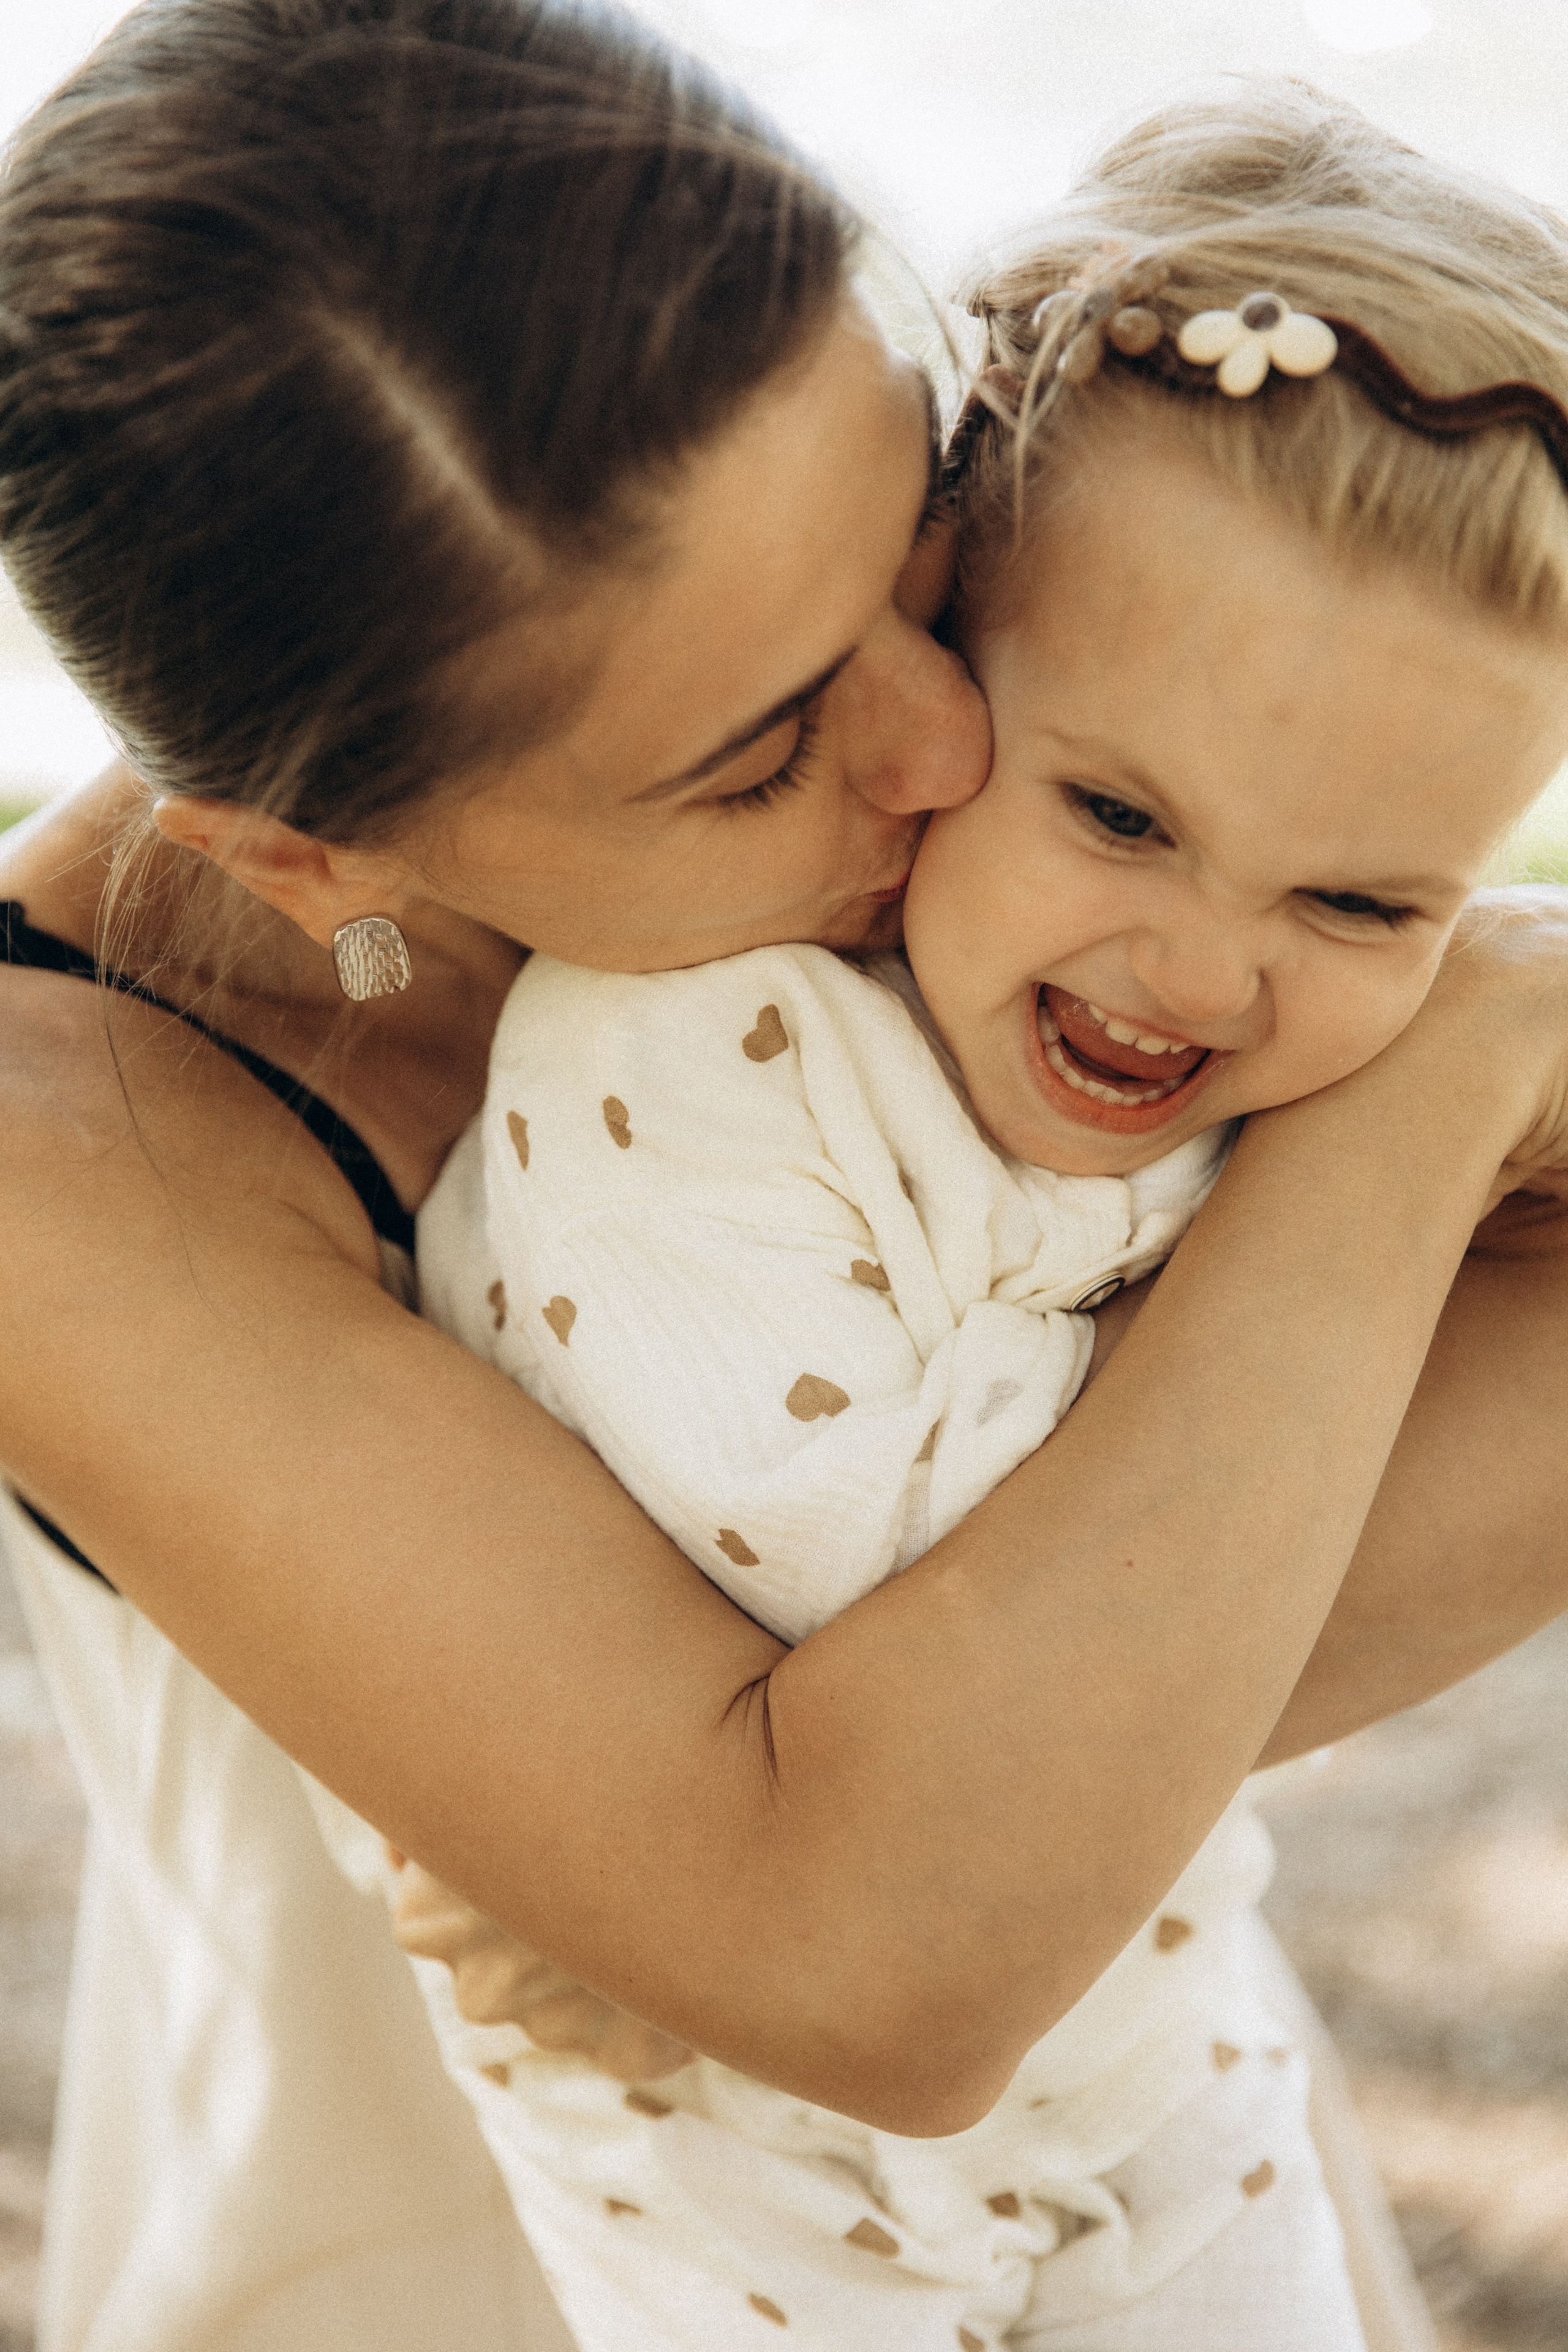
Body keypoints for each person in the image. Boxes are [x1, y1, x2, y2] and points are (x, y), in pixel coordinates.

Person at [0, 4, 1566, 2346]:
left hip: (1121, 2068)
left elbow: (1055, 1783)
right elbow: (895, 1949)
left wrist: (1005, 1751)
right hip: (519, 2211)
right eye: (758, 756)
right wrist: (1450, 1074)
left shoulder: (801, 563)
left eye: (922, 546)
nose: (950, 739)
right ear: (315, 851)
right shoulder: (67, 1151)